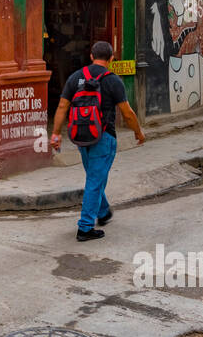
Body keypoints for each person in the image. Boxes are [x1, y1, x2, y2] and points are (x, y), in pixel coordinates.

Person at [49, 41, 146, 241]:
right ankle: (85, 228)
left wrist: (56, 134)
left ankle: (103, 212)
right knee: (95, 180)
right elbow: (127, 113)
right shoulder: (113, 81)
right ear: (111, 59)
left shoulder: (75, 78)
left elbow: (61, 107)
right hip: (104, 137)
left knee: (95, 176)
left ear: (91, 56)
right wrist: (138, 132)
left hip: (80, 137)